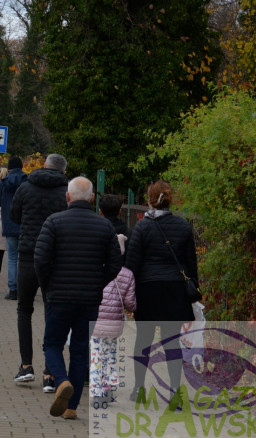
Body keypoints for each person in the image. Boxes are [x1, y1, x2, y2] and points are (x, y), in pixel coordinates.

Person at [34, 176, 122, 420]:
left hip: (59, 296)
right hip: (89, 299)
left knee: (52, 344)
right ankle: (71, 407)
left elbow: (40, 259)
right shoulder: (105, 227)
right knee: (81, 350)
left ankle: (61, 382)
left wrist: (48, 286)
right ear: (93, 199)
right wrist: (98, 284)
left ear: (67, 196)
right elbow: (115, 264)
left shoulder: (53, 222)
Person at [124, 180, 198, 404]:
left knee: (143, 340)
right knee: (172, 342)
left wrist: (129, 291)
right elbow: (191, 263)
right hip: (175, 290)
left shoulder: (143, 227)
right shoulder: (183, 226)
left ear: (149, 199)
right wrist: (193, 289)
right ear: (169, 199)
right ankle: (175, 392)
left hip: (148, 289)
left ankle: (139, 389)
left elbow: (132, 262)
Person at [10, 152, 68, 392]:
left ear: (44, 166)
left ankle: (25, 366)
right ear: (63, 170)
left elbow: (15, 216)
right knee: (52, 311)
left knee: (24, 308)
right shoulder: (67, 190)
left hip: (27, 254)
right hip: (55, 258)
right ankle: (50, 372)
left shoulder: (26, 187)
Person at [90, 233, 136, 400]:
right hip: (115, 323)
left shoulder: (95, 267)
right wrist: (132, 309)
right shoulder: (127, 274)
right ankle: (108, 385)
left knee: (96, 355)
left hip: (95, 320)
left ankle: (97, 390)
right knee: (110, 354)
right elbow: (130, 303)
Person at [0, 156, 28, 300]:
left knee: (12, 258)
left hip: (9, 222)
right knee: (24, 258)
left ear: (9, 167)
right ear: (21, 166)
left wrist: (6, 206)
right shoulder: (27, 181)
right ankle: (24, 289)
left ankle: (13, 290)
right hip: (26, 224)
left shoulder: (3, 182)